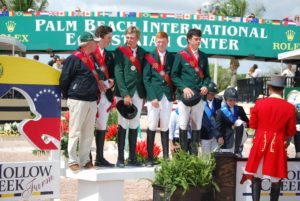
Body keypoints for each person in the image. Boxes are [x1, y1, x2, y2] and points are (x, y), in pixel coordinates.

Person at [241, 76, 296, 201]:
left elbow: (253, 125)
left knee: (256, 175)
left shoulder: (260, 104)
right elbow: (291, 131)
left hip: (261, 141)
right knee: (276, 179)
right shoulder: (289, 108)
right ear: (282, 90)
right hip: (277, 143)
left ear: (269, 88)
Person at [59, 31, 101, 172]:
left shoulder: (93, 58)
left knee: (88, 132)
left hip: (91, 99)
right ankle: (72, 161)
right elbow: (64, 79)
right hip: (77, 99)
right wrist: (70, 95)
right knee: (75, 131)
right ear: (88, 43)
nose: (97, 44)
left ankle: (85, 160)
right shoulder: (73, 58)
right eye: (95, 42)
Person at [171, 28, 211, 155]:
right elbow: (174, 75)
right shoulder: (180, 54)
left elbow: (207, 76)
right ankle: (183, 155)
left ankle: (194, 155)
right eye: (196, 39)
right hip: (185, 96)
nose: (199, 41)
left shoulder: (204, 56)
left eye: (200, 39)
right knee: (182, 124)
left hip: (199, 96)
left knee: (197, 125)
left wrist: (205, 86)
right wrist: (184, 87)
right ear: (189, 39)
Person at [114, 26, 146, 167]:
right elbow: (118, 73)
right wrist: (125, 94)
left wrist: (144, 95)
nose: (129, 40)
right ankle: (120, 158)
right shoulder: (120, 51)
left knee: (134, 124)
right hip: (123, 93)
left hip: (138, 93)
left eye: (132, 37)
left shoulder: (143, 52)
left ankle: (132, 158)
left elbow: (144, 75)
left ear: (138, 38)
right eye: (127, 37)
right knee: (122, 124)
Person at [143, 32, 175, 166]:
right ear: (155, 42)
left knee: (165, 125)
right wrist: (152, 97)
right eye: (158, 42)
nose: (160, 44)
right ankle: (150, 157)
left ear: (167, 42)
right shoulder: (149, 56)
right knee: (151, 124)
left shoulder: (172, 57)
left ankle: (166, 156)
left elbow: (174, 76)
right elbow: (146, 78)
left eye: (163, 41)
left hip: (167, 95)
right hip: (154, 96)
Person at [92, 25, 115, 167]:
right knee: (88, 126)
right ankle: (86, 158)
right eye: (108, 38)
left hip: (106, 94)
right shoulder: (90, 52)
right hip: (92, 94)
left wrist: (112, 82)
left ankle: (99, 158)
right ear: (100, 37)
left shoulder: (110, 55)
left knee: (102, 126)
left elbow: (113, 73)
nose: (110, 41)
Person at [215, 87, 249, 156]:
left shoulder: (240, 109)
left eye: (234, 100)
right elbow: (218, 127)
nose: (232, 102)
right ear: (225, 99)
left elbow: (247, 122)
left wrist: (245, 124)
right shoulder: (220, 111)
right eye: (230, 100)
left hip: (239, 141)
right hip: (226, 141)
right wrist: (219, 136)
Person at [200, 82, 222, 154]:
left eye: (214, 94)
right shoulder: (201, 102)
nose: (213, 95)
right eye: (211, 94)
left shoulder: (218, 102)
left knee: (215, 158)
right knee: (205, 159)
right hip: (205, 135)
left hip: (216, 136)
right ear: (206, 93)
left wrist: (219, 135)